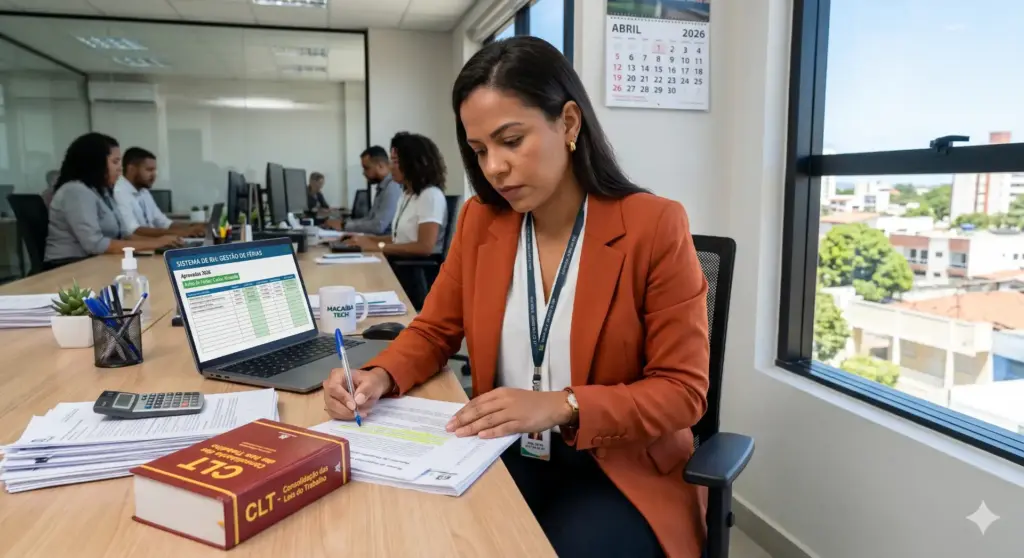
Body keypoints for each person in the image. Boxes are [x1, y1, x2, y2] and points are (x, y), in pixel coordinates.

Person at [323, 37, 709, 558]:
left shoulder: (653, 225)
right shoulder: (484, 223)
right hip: (503, 450)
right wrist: (379, 376)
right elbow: (436, 328)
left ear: (568, 124)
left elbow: (682, 391)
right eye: (480, 150)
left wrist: (562, 405)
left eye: (511, 140)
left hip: (616, 467)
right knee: (412, 533)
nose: (494, 168)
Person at [45, 133, 180, 265]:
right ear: (95, 162)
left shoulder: (102, 191)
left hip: (96, 262)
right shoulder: (75, 191)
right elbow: (95, 245)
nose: (120, 169)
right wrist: (156, 243)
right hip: (69, 266)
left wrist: (163, 242)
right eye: (115, 162)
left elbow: (124, 235)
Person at [342, 133, 448, 256]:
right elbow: (398, 239)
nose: (391, 167)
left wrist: (376, 246)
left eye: (396, 162)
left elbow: (425, 247)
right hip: (401, 262)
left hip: (417, 269)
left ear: (414, 163)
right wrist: (365, 240)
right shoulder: (407, 195)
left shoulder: (430, 195)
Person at [113, 147, 204, 238]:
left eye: (155, 170)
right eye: (149, 170)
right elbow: (133, 230)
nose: (154, 175)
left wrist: (191, 228)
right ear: (131, 169)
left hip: (154, 243)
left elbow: (163, 222)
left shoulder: (144, 191)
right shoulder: (119, 192)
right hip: (139, 247)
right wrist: (179, 233)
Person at [340, 146, 402, 235]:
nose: (363, 173)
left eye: (366, 168)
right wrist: (346, 224)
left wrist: (345, 225)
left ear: (380, 166)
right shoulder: (382, 187)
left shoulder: (393, 187)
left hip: (384, 244)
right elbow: (370, 219)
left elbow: (378, 226)